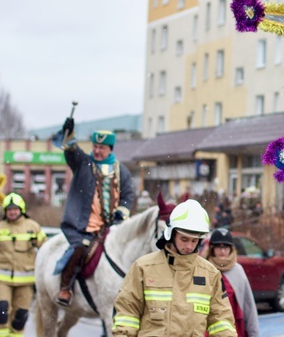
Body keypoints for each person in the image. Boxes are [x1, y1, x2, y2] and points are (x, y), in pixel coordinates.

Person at [113, 199, 236, 336]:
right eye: (184, 239)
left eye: (194, 240)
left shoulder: (210, 274)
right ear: (171, 234)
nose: (189, 246)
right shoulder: (143, 268)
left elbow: (221, 321)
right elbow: (127, 315)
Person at [56, 119, 135, 306]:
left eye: (102, 148)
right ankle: (65, 286)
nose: (98, 151)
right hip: (83, 226)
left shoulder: (120, 170)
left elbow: (128, 194)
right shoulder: (83, 163)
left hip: (111, 227)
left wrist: (121, 213)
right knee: (79, 249)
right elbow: (71, 152)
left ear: (110, 149)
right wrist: (68, 133)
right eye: (96, 146)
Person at [0, 193, 46, 336]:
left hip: (26, 281)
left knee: (20, 317)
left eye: (15, 209)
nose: (12, 212)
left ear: (21, 209)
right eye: (9, 209)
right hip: (1, 280)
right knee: (1, 312)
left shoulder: (33, 227)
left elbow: (45, 249)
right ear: (5, 211)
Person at [202, 228, 259, 337]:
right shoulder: (204, 269)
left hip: (235, 329)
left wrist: (253, 333)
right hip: (209, 330)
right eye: (219, 246)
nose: (222, 251)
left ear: (231, 249)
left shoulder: (237, 271)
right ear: (212, 248)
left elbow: (248, 306)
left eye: (226, 247)